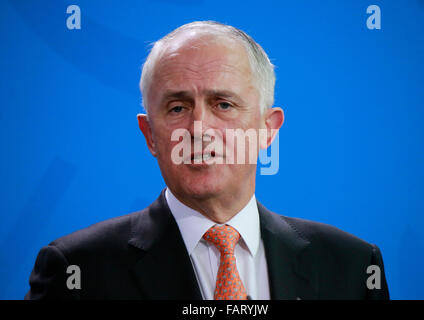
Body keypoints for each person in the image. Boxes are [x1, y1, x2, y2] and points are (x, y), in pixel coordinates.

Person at [25, 21, 389, 300]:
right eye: (177, 107)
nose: (198, 128)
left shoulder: (353, 266)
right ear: (150, 135)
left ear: (268, 129)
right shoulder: (76, 269)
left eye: (223, 105)